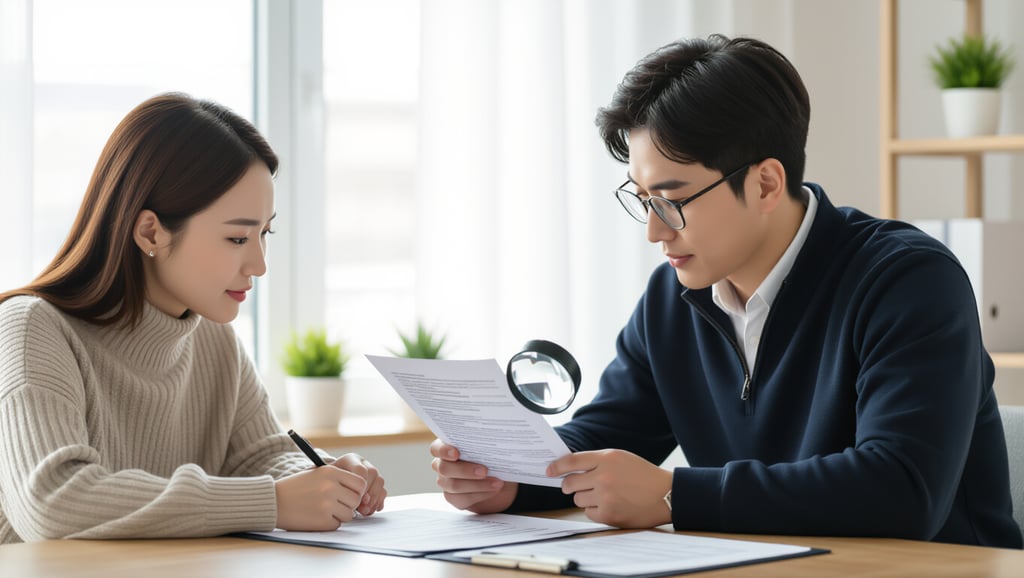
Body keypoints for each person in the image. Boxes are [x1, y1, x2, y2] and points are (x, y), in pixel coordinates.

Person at [430, 34, 1023, 548]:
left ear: (765, 184)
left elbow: (901, 489)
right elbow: (609, 434)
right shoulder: (673, 298)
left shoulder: (907, 281)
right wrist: (512, 478)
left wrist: (673, 495)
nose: (654, 231)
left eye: (672, 200)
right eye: (642, 199)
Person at [0, 93, 386, 545]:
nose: (259, 264)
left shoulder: (215, 340)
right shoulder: (32, 330)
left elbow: (259, 458)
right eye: (238, 238)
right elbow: (52, 502)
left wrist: (325, 478)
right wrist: (274, 501)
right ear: (151, 232)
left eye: (265, 233)